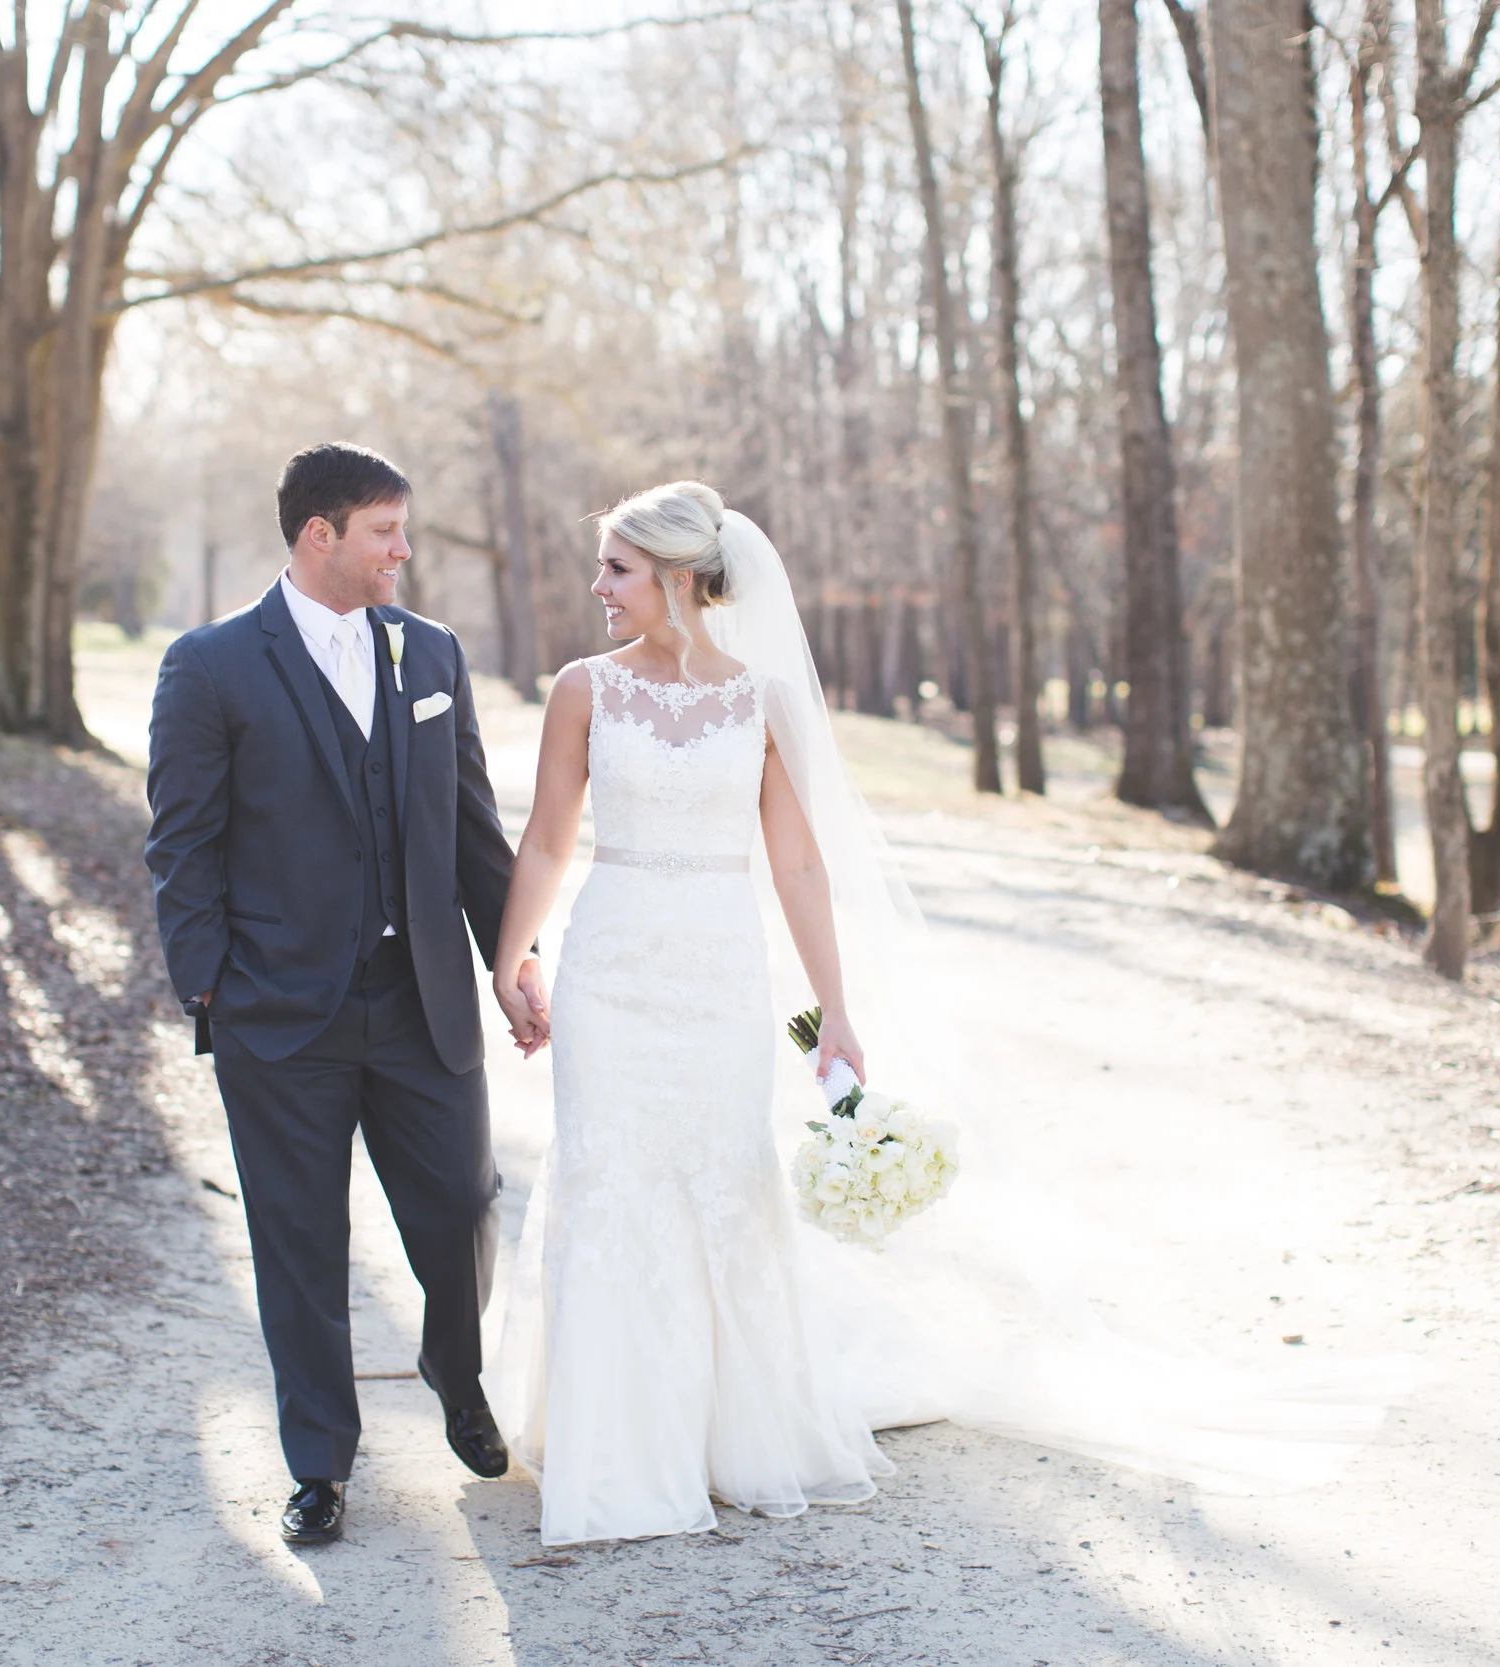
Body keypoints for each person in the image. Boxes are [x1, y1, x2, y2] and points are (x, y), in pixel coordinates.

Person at [483, 481, 1414, 1548]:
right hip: (611, 966)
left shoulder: (762, 701)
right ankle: (613, 1445)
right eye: (602, 566)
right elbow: (550, 841)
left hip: (715, 970)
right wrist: (512, 957)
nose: (596, 586)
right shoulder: (581, 690)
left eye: (616, 567)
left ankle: (722, 1435)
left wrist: (834, 1008)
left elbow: (792, 860)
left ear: (677, 577)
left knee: (720, 1177)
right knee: (609, 1174)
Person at [143, 442, 548, 1546]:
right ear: (318, 534)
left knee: (464, 1204)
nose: (402, 552)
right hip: (279, 1011)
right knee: (298, 1240)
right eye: (384, 532)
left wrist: (511, 961)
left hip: (421, 1000)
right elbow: (183, 846)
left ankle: (455, 1376)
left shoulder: (432, 655)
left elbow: (473, 829)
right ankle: (318, 1461)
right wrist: (212, 989)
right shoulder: (211, 665)